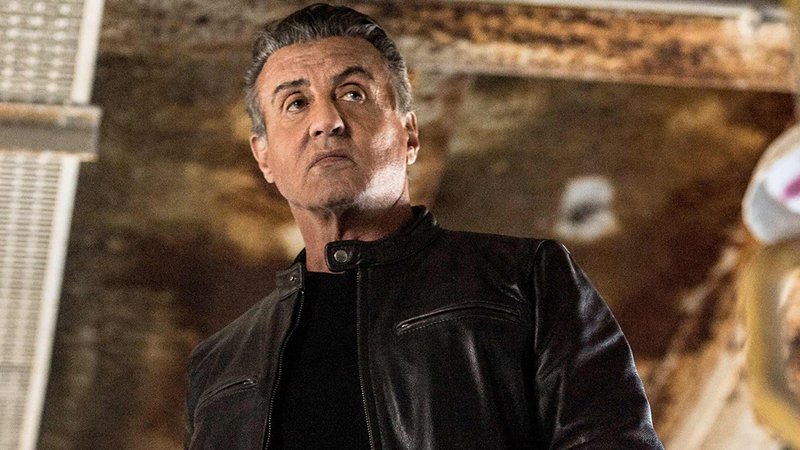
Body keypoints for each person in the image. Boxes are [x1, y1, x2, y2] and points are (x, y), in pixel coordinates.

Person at [184, 4, 663, 449]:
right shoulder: (220, 364)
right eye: (295, 103)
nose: (326, 121)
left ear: (409, 133)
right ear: (263, 156)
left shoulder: (527, 280)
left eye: (353, 94)